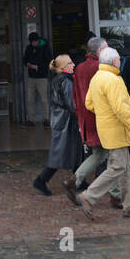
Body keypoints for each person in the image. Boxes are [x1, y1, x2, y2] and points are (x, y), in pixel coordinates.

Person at [78, 48, 130, 219]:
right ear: (113, 61)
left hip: (107, 129)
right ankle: (88, 197)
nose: (120, 61)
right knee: (118, 167)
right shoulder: (114, 80)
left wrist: (104, 113)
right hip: (117, 130)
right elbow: (122, 110)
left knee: (125, 168)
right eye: (118, 59)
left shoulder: (97, 77)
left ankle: (129, 204)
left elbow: (89, 103)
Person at [66, 36, 121, 208]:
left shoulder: (80, 69)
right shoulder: (102, 68)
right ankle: (115, 196)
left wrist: (81, 117)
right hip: (102, 118)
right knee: (113, 157)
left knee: (100, 155)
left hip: (87, 119)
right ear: (99, 51)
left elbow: (75, 97)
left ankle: (75, 180)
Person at [33, 55, 83, 195]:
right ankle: (41, 180)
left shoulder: (57, 79)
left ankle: (79, 179)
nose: (73, 64)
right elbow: (71, 104)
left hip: (61, 119)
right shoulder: (66, 81)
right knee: (60, 153)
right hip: (65, 121)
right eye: (70, 63)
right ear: (64, 67)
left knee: (73, 150)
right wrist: (81, 116)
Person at [22, 31, 51, 125]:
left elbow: (49, 61)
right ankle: (30, 120)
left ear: (38, 40)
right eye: (32, 42)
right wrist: (27, 64)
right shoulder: (29, 48)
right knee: (30, 99)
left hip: (42, 77)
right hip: (31, 77)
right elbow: (25, 59)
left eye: (35, 41)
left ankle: (47, 119)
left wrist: (37, 67)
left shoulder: (45, 48)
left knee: (44, 99)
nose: (33, 43)